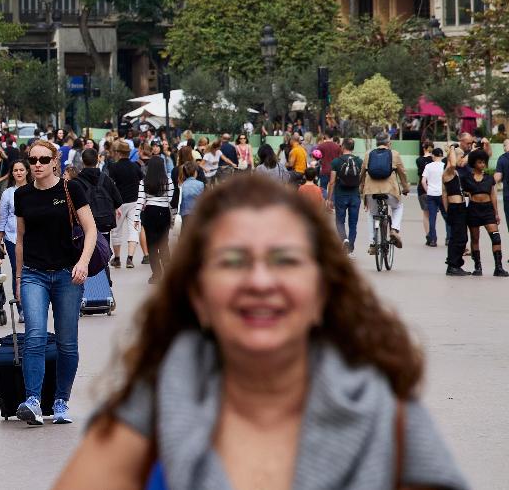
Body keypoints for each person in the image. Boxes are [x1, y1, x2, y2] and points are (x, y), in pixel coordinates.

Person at [55, 174, 469, 490]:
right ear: (197, 293)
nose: (259, 281)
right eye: (232, 261)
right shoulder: (144, 422)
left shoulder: (388, 420)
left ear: (322, 289)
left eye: (285, 260)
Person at [13, 138, 100, 427]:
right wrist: (18, 275)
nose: (36, 165)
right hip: (34, 274)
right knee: (35, 336)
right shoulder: (22, 195)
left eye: (42, 160)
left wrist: (83, 263)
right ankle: (33, 401)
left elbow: (90, 229)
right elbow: (21, 239)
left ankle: (61, 400)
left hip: (67, 274)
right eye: (32, 160)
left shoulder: (71, 189)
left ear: (54, 162)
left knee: (67, 343)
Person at [360, 134, 409, 254]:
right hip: (390, 191)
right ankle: (394, 230)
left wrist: (362, 189)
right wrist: (405, 188)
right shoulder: (394, 154)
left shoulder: (368, 154)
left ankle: (373, 244)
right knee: (398, 207)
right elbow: (402, 173)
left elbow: (362, 173)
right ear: (389, 143)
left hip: (371, 191)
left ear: (376, 142)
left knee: (372, 214)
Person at [463, 149, 505, 277]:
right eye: (480, 162)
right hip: (473, 210)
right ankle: (478, 267)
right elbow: (463, 194)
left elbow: (493, 195)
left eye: (484, 162)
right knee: (475, 238)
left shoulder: (489, 178)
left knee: (496, 237)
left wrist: (496, 213)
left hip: (488, 211)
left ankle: (498, 267)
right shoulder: (467, 178)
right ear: (474, 163)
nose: (482, 165)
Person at [134, 156, 174, 284]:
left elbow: (140, 201)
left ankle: (156, 275)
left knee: (151, 245)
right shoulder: (168, 181)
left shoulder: (144, 181)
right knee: (163, 243)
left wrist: (136, 218)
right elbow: (170, 200)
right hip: (164, 212)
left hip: (150, 213)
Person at [107, 140, 144, 269]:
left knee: (116, 231)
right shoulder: (136, 166)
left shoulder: (114, 167)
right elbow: (141, 181)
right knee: (134, 229)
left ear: (118, 153)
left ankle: (117, 259)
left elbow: (111, 185)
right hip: (134, 201)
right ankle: (130, 258)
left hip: (119, 203)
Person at [0, 159, 29, 304]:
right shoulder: (8, 193)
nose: (18, 173)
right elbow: (2, 218)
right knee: (18, 271)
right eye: (15, 170)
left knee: (32, 272)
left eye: (21, 170)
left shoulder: (35, 189)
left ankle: (30, 305)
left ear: (27, 171)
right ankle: (20, 306)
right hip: (12, 238)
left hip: (33, 238)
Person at [328, 138, 364, 255]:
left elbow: (332, 182)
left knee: (340, 221)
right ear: (353, 148)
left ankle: (344, 239)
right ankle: (350, 245)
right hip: (355, 196)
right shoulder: (359, 161)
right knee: (353, 223)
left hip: (341, 195)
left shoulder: (336, 162)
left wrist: (329, 198)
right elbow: (362, 179)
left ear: (342, 147)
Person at [443, 146, 471, 276]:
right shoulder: (448, 171)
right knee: (458, 238)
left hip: (460, 207)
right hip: (455, 208)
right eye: (460, 157)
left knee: (462, 237)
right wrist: (452, 149)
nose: (462, 160)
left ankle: (456, 264)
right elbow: (453, 163)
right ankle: (452, 265)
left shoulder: (456, 173)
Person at [419, 147, 446, 248]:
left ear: (433, 156)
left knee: (432, 217)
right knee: (446, 216)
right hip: (442, 194)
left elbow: (423, 181)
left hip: (431, 194)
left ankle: (433, 240)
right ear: (442, 156)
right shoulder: (444, 166)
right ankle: (449, 238)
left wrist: (428, 190)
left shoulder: (429, 166)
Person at [315, 130, 341, 198]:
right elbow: (340, 159)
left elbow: (316, 156)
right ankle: (332, 204)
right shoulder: (337, 147)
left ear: (325, 135)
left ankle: (324, 204)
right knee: (334, 188)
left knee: (323, 188)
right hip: (334, 171)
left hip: (324, 170)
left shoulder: (321, 146)